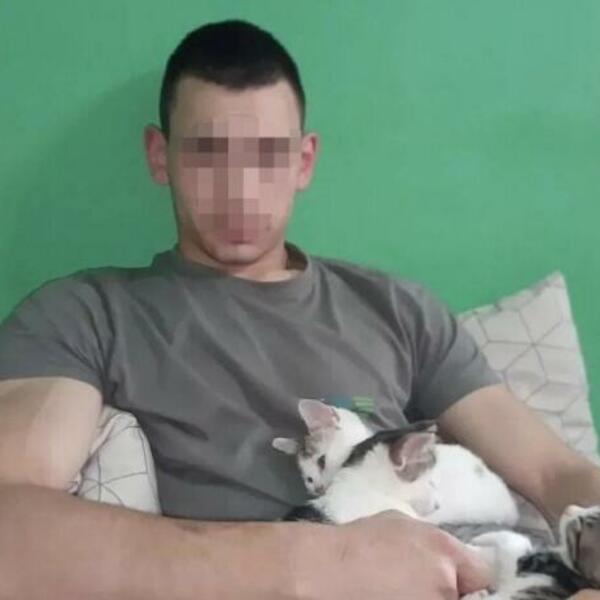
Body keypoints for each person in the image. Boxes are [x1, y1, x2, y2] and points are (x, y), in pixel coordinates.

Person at [0, 19, 597, 600]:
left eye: (268, 155)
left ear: (304, 161)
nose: (240, 191)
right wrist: (316, 562)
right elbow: (10, 526)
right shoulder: (85, 314)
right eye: (207, 153)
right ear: (160, 156)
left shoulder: (397, 309)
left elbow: (553, 473)